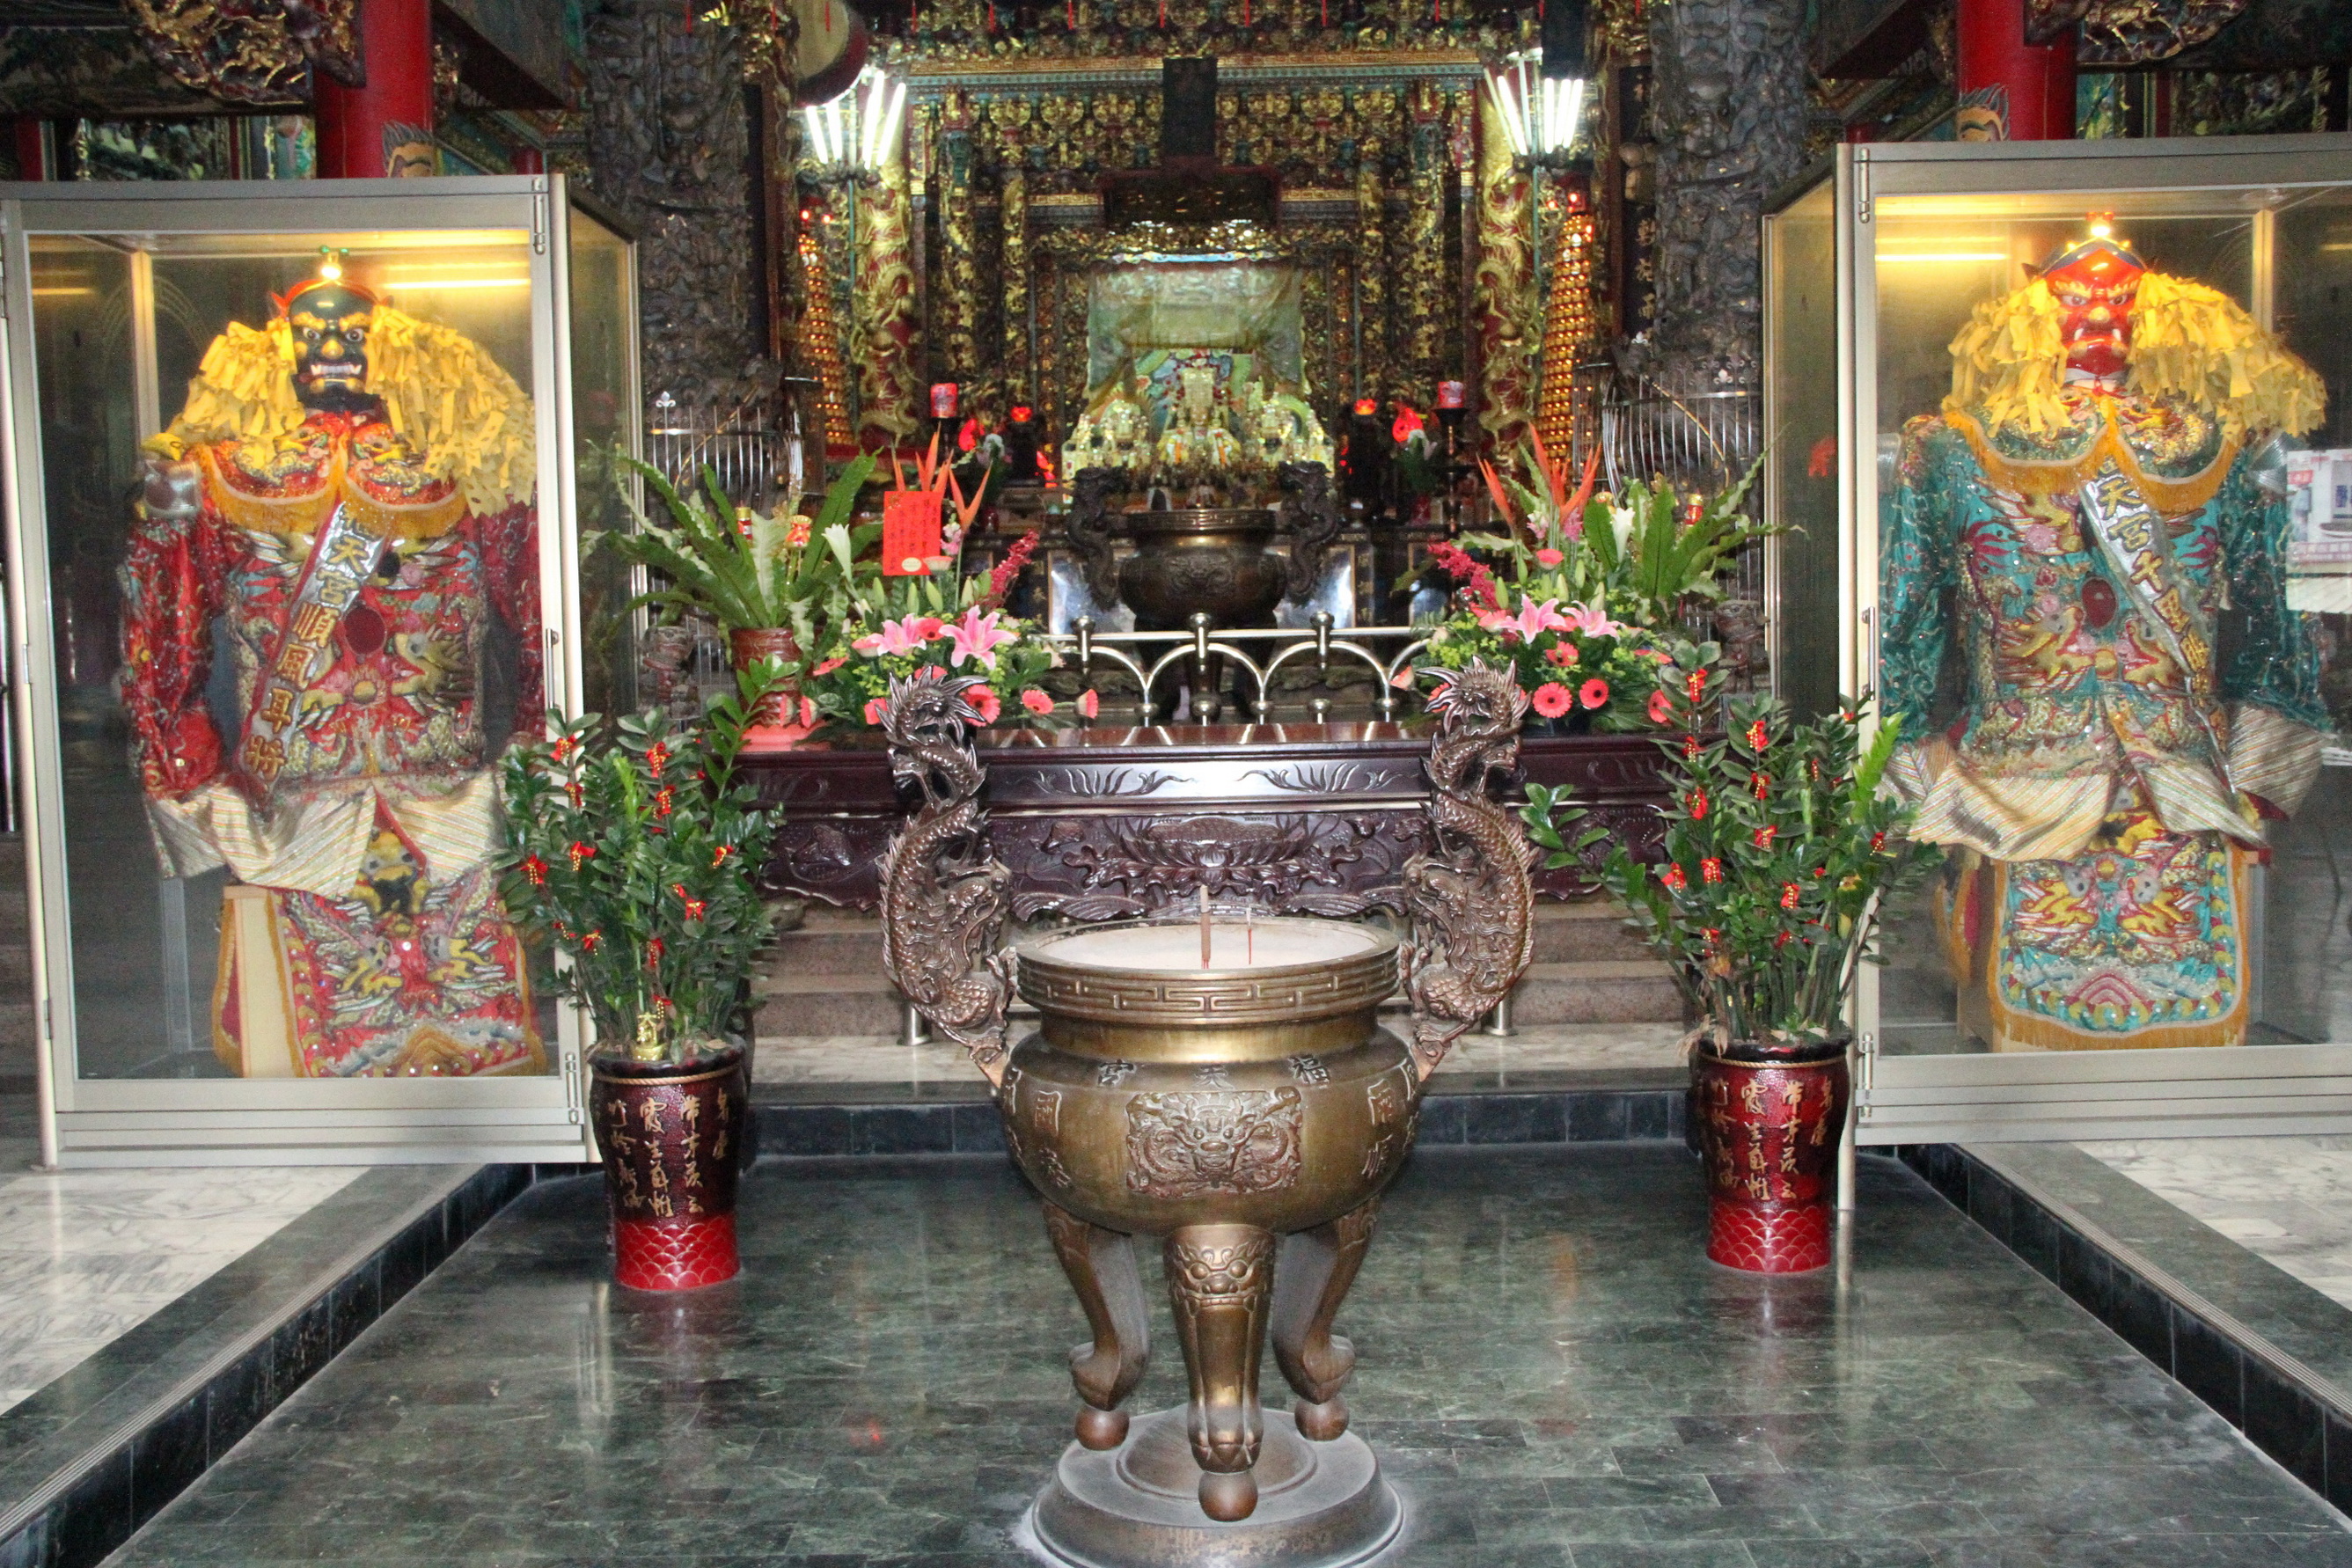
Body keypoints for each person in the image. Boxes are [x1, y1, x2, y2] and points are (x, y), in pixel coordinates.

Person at [1882, 220, 2327, 1051]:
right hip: (2016, 768)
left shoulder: (2219, 444)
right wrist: (1897, 750)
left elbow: (2277, 608)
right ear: (2031, 313)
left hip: (2176, 772)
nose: (2096, 316)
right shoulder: (1953, 446)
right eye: (2073, 297)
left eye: (2118, 297)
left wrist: (2267, 761)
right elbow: (1902, 610)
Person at [120, 261, 546, 1076]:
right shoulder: (214, 471)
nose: (331, 349)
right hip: (295, 790)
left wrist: (537, 736)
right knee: (318, 991)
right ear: (277, 345)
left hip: (447, 782)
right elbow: (163, 625)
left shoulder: (466, 462)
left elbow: (535, 611)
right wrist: (186, 764)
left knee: (464, 991)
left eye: (351, 331)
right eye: (310, 332)